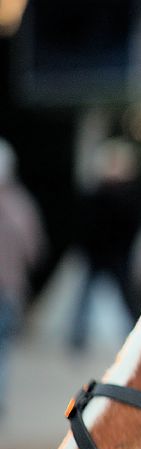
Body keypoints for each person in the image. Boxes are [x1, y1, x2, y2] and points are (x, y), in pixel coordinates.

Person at [68, 139, 141, 351]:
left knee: (127, 299)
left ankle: (137, 336)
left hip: (119, 254)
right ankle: (76, 336)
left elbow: (132, 223)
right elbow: (85, 222)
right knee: (84, 297)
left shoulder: (129, 194)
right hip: (98, 254)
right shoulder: (96, 192)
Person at [0, 138, 45, 415]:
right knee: (2, 348)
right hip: (9, 289)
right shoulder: (19, 205)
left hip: (8, 290)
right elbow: (34, 249)